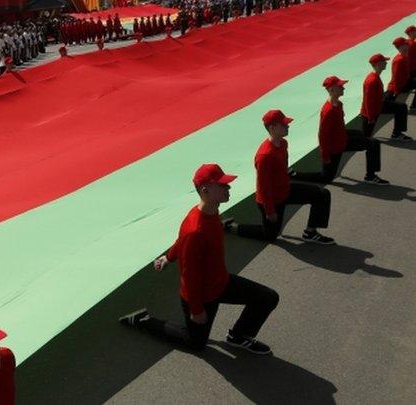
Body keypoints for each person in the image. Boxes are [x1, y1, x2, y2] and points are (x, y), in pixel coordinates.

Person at [119, 164, 279, 355]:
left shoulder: (211, 212)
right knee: (194, 343)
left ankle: (238, 336)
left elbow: (180, 242)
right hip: (201, 297)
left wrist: (168, 258)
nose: (228, 188)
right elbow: (190, 275)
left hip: (221, 283)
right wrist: (196, 310)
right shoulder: (196, 230)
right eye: (223, 185)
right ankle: (144, 321)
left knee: (268, 298)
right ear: (206, 190)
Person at [225, 110, 335, 244]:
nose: (288, 126)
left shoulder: (283, 143)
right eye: (284, 125)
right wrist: (270, 211)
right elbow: (263, 187)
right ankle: (231, 227)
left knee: (322, 195)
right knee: (269, 235)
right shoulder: (265, 156)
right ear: (272, 128)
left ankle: (310, 232)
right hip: (272, 199)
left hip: (285, 190)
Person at [292, 76, 388, 185]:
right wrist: (325, 156)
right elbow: (323, 135)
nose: (343, 88)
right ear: (331, 90)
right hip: (335, 147)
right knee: (326, 177)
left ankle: (370, 176)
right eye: (340, 86)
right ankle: (295, 175)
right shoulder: (328, 111)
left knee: (371, 142)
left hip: (342, 138)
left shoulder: (339, 104)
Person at [361, 53, 411, 140]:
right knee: (366, 139)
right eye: (384, 62)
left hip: (378, 106)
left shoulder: (375, 77)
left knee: (401, 107)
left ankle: (397, 134)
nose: (386, 63)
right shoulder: (372, 80)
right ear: (378, 64)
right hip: (371, 111)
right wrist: (370, 117)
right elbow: (368, 100)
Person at [387, 37, 416, 110]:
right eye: (406, 44)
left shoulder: (404, 56)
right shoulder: (399, 60)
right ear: (401, 46)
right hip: (398, 85)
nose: (408, 46)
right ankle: (415, 105)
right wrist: (396, 90)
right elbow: (396, 77)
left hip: (405, 82)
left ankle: (415, 105)